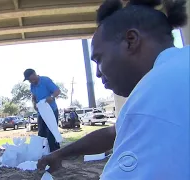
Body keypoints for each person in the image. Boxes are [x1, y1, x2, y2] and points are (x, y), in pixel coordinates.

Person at [38, 0, 189, 179]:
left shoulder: (156, 93)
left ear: (131, 41)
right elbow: (114, 132)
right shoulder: (179, 68)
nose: (97, 73)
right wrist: (60, 153)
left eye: (99, 59)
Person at [23, 68, 61, 152]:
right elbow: (34, 97)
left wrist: (51, 97)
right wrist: (34, 104)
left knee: (51, 132)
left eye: (30, 79)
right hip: (41, 112)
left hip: (51, 110)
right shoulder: (32, 85)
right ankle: (43, 152)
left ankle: (54, 152)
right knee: (41, 133)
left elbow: (57, 91)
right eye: (28, 80)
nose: (30, 81)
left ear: (34, 74)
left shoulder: (45, 81)